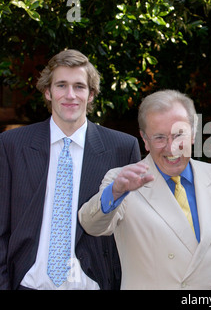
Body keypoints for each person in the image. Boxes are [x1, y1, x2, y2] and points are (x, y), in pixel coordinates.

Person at [0, 49, 141, 290]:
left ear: (91, 93)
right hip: (27, 284)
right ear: (48, 91)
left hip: (93, 284)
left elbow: (131, 232)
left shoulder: (122, 148)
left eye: (79, 86)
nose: (70, 95)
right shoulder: (12, 145)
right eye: (61, 85)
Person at [78, 89, 211, 289]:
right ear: (145, 140)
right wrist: (116, 192)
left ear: (194, 134)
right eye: (160, 138)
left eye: (179, 135)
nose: (171, 147)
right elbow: (91, 225)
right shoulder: (123, 181)